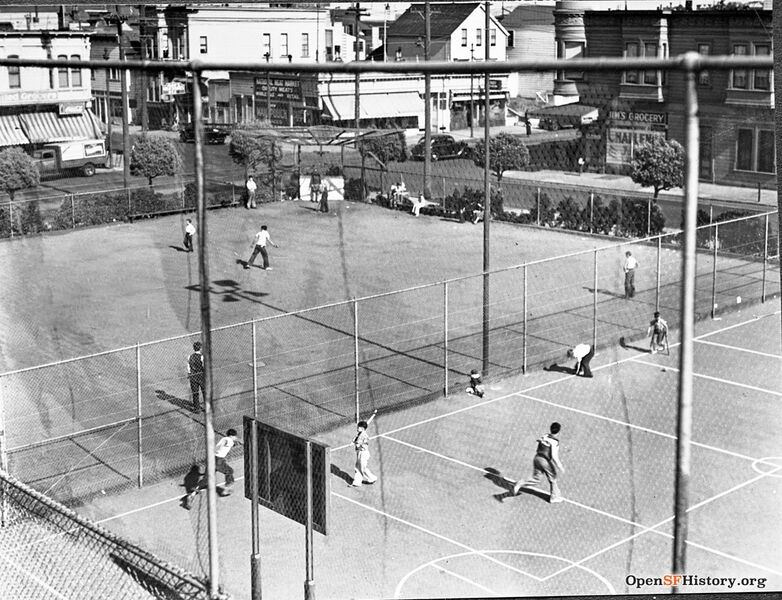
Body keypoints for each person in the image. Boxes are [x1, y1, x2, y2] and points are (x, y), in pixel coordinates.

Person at [512, 422, 565, 503]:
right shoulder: (555, 442)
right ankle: (554, 497)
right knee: (553, 477)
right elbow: (554, 456)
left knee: (536, 478)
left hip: (537, 458)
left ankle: (520, 483)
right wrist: (560, 466)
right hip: (545, 461)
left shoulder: (545, 436)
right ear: (558, 431)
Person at [350, 410, 378, 487]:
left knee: (362, 468)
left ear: (362, 429)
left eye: (358, 427)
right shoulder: (360, 432)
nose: (357, 428)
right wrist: (373, 415)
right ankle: (358, 482)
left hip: (363, 453)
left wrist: (356, 443)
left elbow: (363, 444)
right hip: (359, 453)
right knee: (358, 467)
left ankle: (371, 478)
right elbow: (367, 422)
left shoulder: (364, 435)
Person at [215, 428, 239, 496]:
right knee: (229, 471)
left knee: (206, 479)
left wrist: (236, 443)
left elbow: (232, 444)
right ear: (231, 436)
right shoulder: (228, 440)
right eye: (235, 436)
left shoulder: (225, 439)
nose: (236, 437)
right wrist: (219, 448)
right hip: (218, 460)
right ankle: (226, 489)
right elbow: (225, 443)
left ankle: (191, 494)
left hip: (214, 458)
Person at [187, 341, 205, 411]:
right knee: (204, 392)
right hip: (201, 376)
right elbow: (203, 366)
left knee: (195, 392)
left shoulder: (190, 357)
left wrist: (189, 373)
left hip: (193, 376)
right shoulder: (202, 357)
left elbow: (188, 367)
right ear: (200, 348)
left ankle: (196, 408)